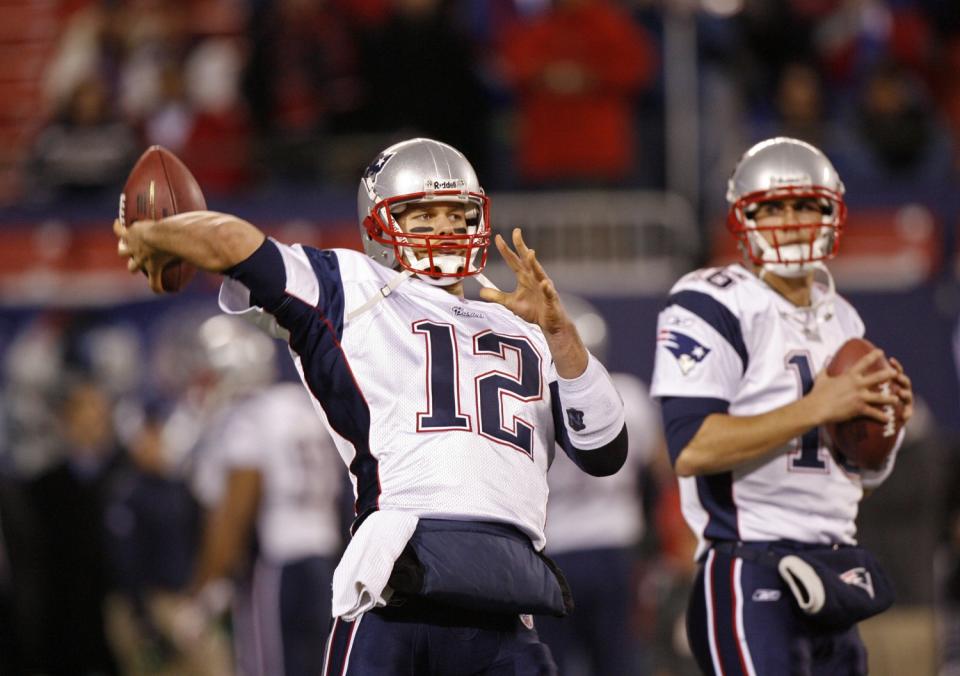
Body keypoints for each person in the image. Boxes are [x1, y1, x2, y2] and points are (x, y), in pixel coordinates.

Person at [114, 137, 628, 675]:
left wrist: (559, 332)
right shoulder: (353, 287)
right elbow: (241, 247)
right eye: (423, 216)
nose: (445, 229)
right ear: (380, 224)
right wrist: (163, 232)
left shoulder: (523, 326)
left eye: (458, 214)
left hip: (505, 595)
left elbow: (604, 449)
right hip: (396, 580)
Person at [650, 137, 915, 675]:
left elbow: (854, 473)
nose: (790, 220)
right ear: (744, 219)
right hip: (750, 564)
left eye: (805, 205)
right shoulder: (712, 301)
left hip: (834, 562)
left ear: (831, 214)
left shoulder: (843, 317)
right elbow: (693, 448)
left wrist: (884, 430)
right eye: (773, 207)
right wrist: (819, 408)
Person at [183, 314, 345, 676]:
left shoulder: (248, 417)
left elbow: (238, 507)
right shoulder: (302, 407)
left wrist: (206, 586)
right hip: (326, 560)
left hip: (279, 564)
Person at [535, 295, 663, 676]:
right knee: (619, 662)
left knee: (553, 664)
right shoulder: (630, 396)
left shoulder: (533, 399)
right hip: (614, 547)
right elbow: (658, 473)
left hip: (554, 550)